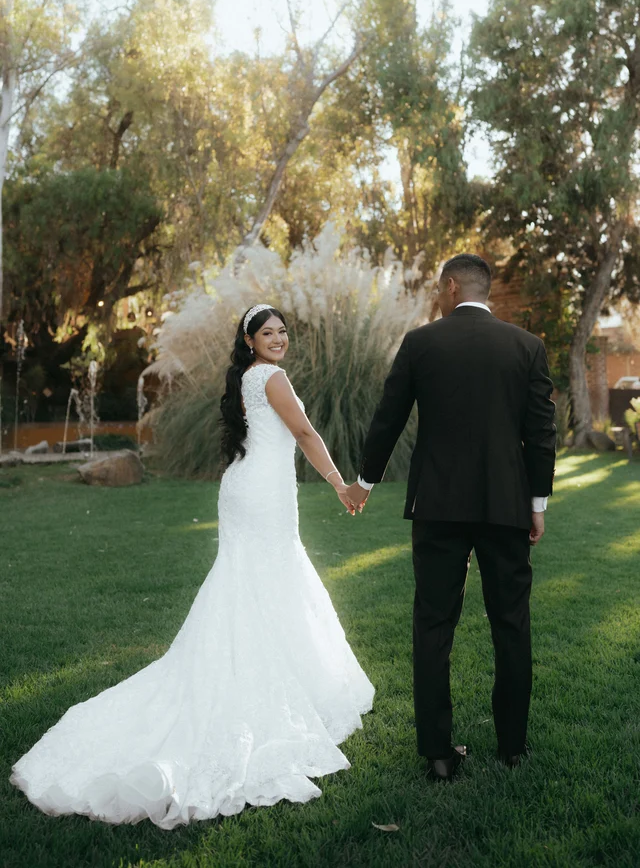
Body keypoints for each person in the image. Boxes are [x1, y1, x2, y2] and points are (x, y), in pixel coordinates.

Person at [11, 304, 374, 828]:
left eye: (282, 332)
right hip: (263, 496)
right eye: (267, 333)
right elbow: (305, 433)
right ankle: (277, 678)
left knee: (250, 580)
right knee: (269, 577)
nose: (278, 339)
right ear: (250, 340)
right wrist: (341, 484)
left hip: (246, 488)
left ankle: (277, 664)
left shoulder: (245, 378)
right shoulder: (271, 377)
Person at [346, 254, 556, 780]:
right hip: (506, 505)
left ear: (451, 286)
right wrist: (537, 505)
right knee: (512, 622)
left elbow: (389, 416)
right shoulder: (526, 346)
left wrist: (365, 481)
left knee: (433, 623)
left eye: (439, 289)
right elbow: (541, 433)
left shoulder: (421, 343)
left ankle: (438, 755)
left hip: (437, 505)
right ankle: (512, 747)